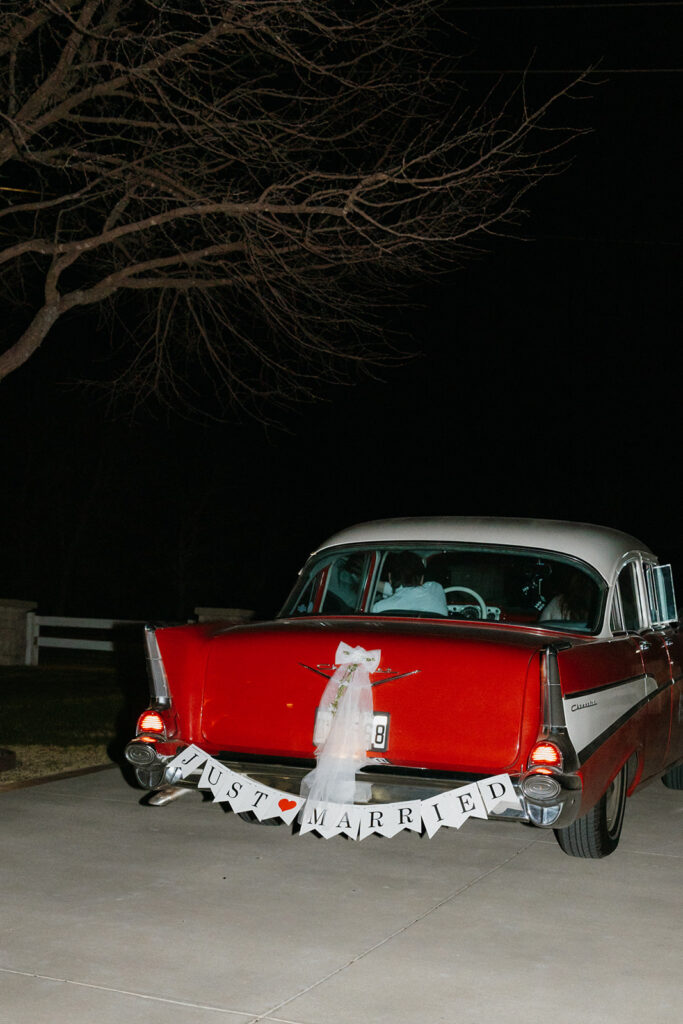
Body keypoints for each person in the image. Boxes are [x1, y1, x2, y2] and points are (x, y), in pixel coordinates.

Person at [373, 551, 448, 615]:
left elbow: (401, 592)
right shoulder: (436, 589)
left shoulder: (380, 608)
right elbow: (408, 592)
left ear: (390, 577)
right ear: (422, 578)